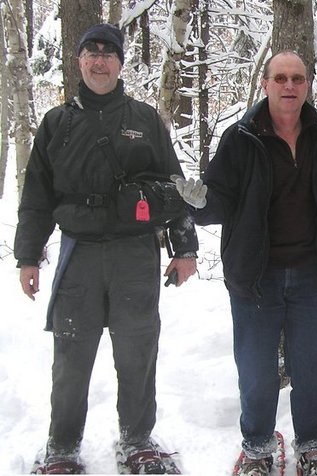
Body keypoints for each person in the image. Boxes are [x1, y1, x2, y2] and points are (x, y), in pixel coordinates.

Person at [172, 50, 317, 476]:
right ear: (265, 84)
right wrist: (201, 204)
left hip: (308, 271)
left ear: (307, 85)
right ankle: (259, 447)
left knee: (310, 366)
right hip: (254, 275)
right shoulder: (240, 137)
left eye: (297, 79)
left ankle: (313, 443)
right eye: (280, 78)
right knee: (256, 369)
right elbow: (219, 200)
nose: (289, 86)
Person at [14, 23, 199, 474]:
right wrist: (27, 255)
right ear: (79, 61)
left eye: (108, 53)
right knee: (71, 354)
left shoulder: (144, 120)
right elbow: (36, 196)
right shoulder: (57, 123)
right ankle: (61, 448)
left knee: (137, 350)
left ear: (120, 62)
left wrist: (186, 247)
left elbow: (176, 186)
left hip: (134, 253)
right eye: (91, 52)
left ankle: (137, 441)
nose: (99, 61)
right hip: (78, 254)